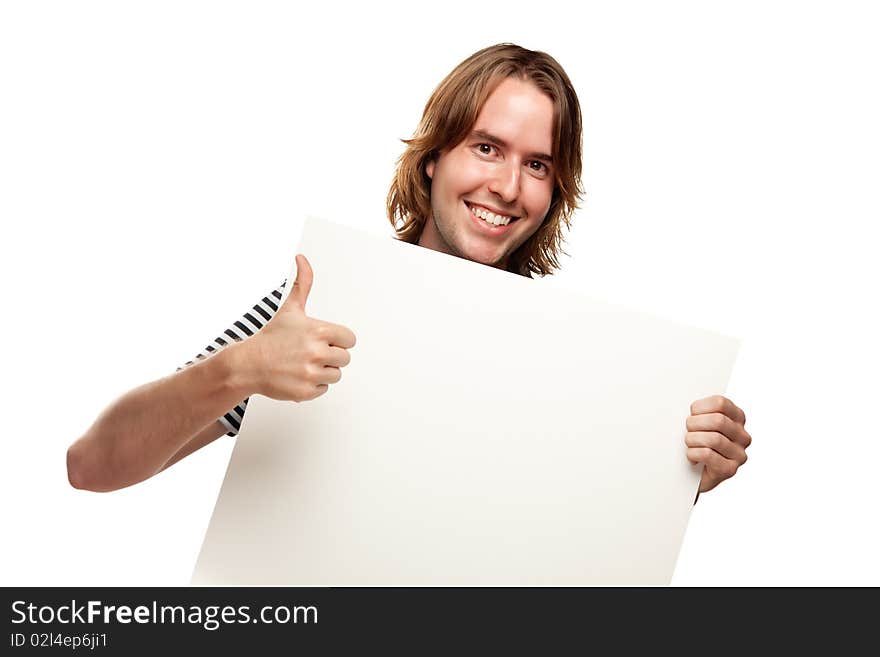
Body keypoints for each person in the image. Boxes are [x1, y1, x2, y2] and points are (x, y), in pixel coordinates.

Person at [66, 43, 751, 495]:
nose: (509, 187)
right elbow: (91, 466)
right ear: (434, 159)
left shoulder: (575, 361)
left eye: (537, 164)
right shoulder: (319, 311)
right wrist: (240, 369)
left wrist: (682, 472)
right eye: (487, 148)